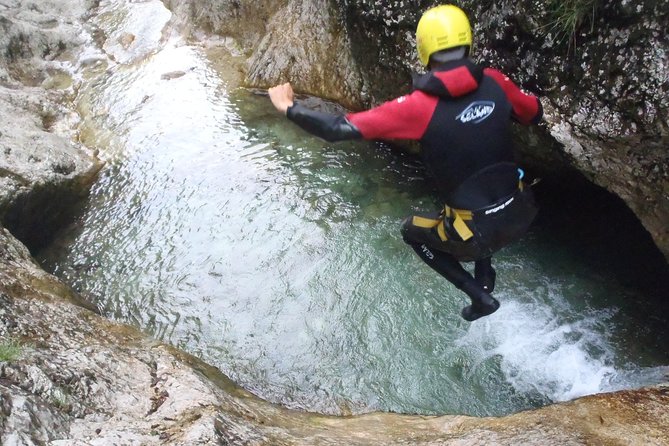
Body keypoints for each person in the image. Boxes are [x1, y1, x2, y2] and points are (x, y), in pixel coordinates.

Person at [268, 4, 542, 321]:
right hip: (523, 210)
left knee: (412, 231)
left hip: (477, 232)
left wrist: (289, 108)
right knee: (479, 188)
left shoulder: (418, 108)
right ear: (469, 42)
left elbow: (336, 129)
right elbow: (534, 113)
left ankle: (479, 296)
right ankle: (485, 271)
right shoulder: (496, 82)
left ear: (424, 50)